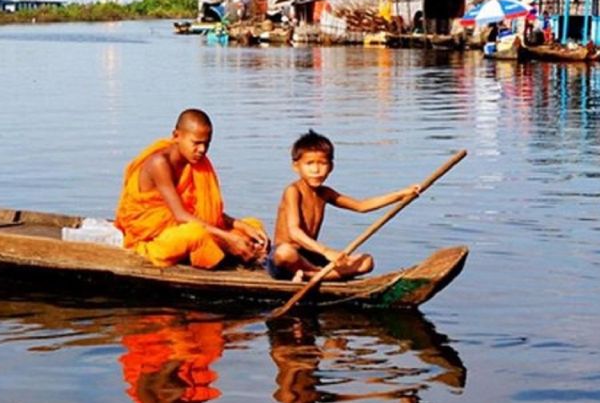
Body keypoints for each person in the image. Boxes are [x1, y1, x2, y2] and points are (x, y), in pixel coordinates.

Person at [114, 108, 268, 270]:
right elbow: (181, 215)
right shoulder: (159, 163)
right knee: (195, 235)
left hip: (185, 225)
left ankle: (228, 250)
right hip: (153, 238)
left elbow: (200, 210)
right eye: (196, 143)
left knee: (254, 225)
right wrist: (228, 238)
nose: (202, 150)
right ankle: (224, 253)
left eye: (206, 144)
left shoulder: (195, 163)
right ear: (176, 136)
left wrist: (241, 226)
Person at [267, 130, 419, 282]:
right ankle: (318, 274)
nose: (316, 170)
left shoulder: (325, 193)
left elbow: (361, 206)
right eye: (309, 164)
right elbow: (294, 232)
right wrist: (326, 251)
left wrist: (400, 195)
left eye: (322, 163)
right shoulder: (293, 191)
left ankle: (310, 275)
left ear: (331, 167)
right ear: (296, 166)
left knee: (366, 261)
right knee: (285, 252)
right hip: (285, 261)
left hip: (309, 256)